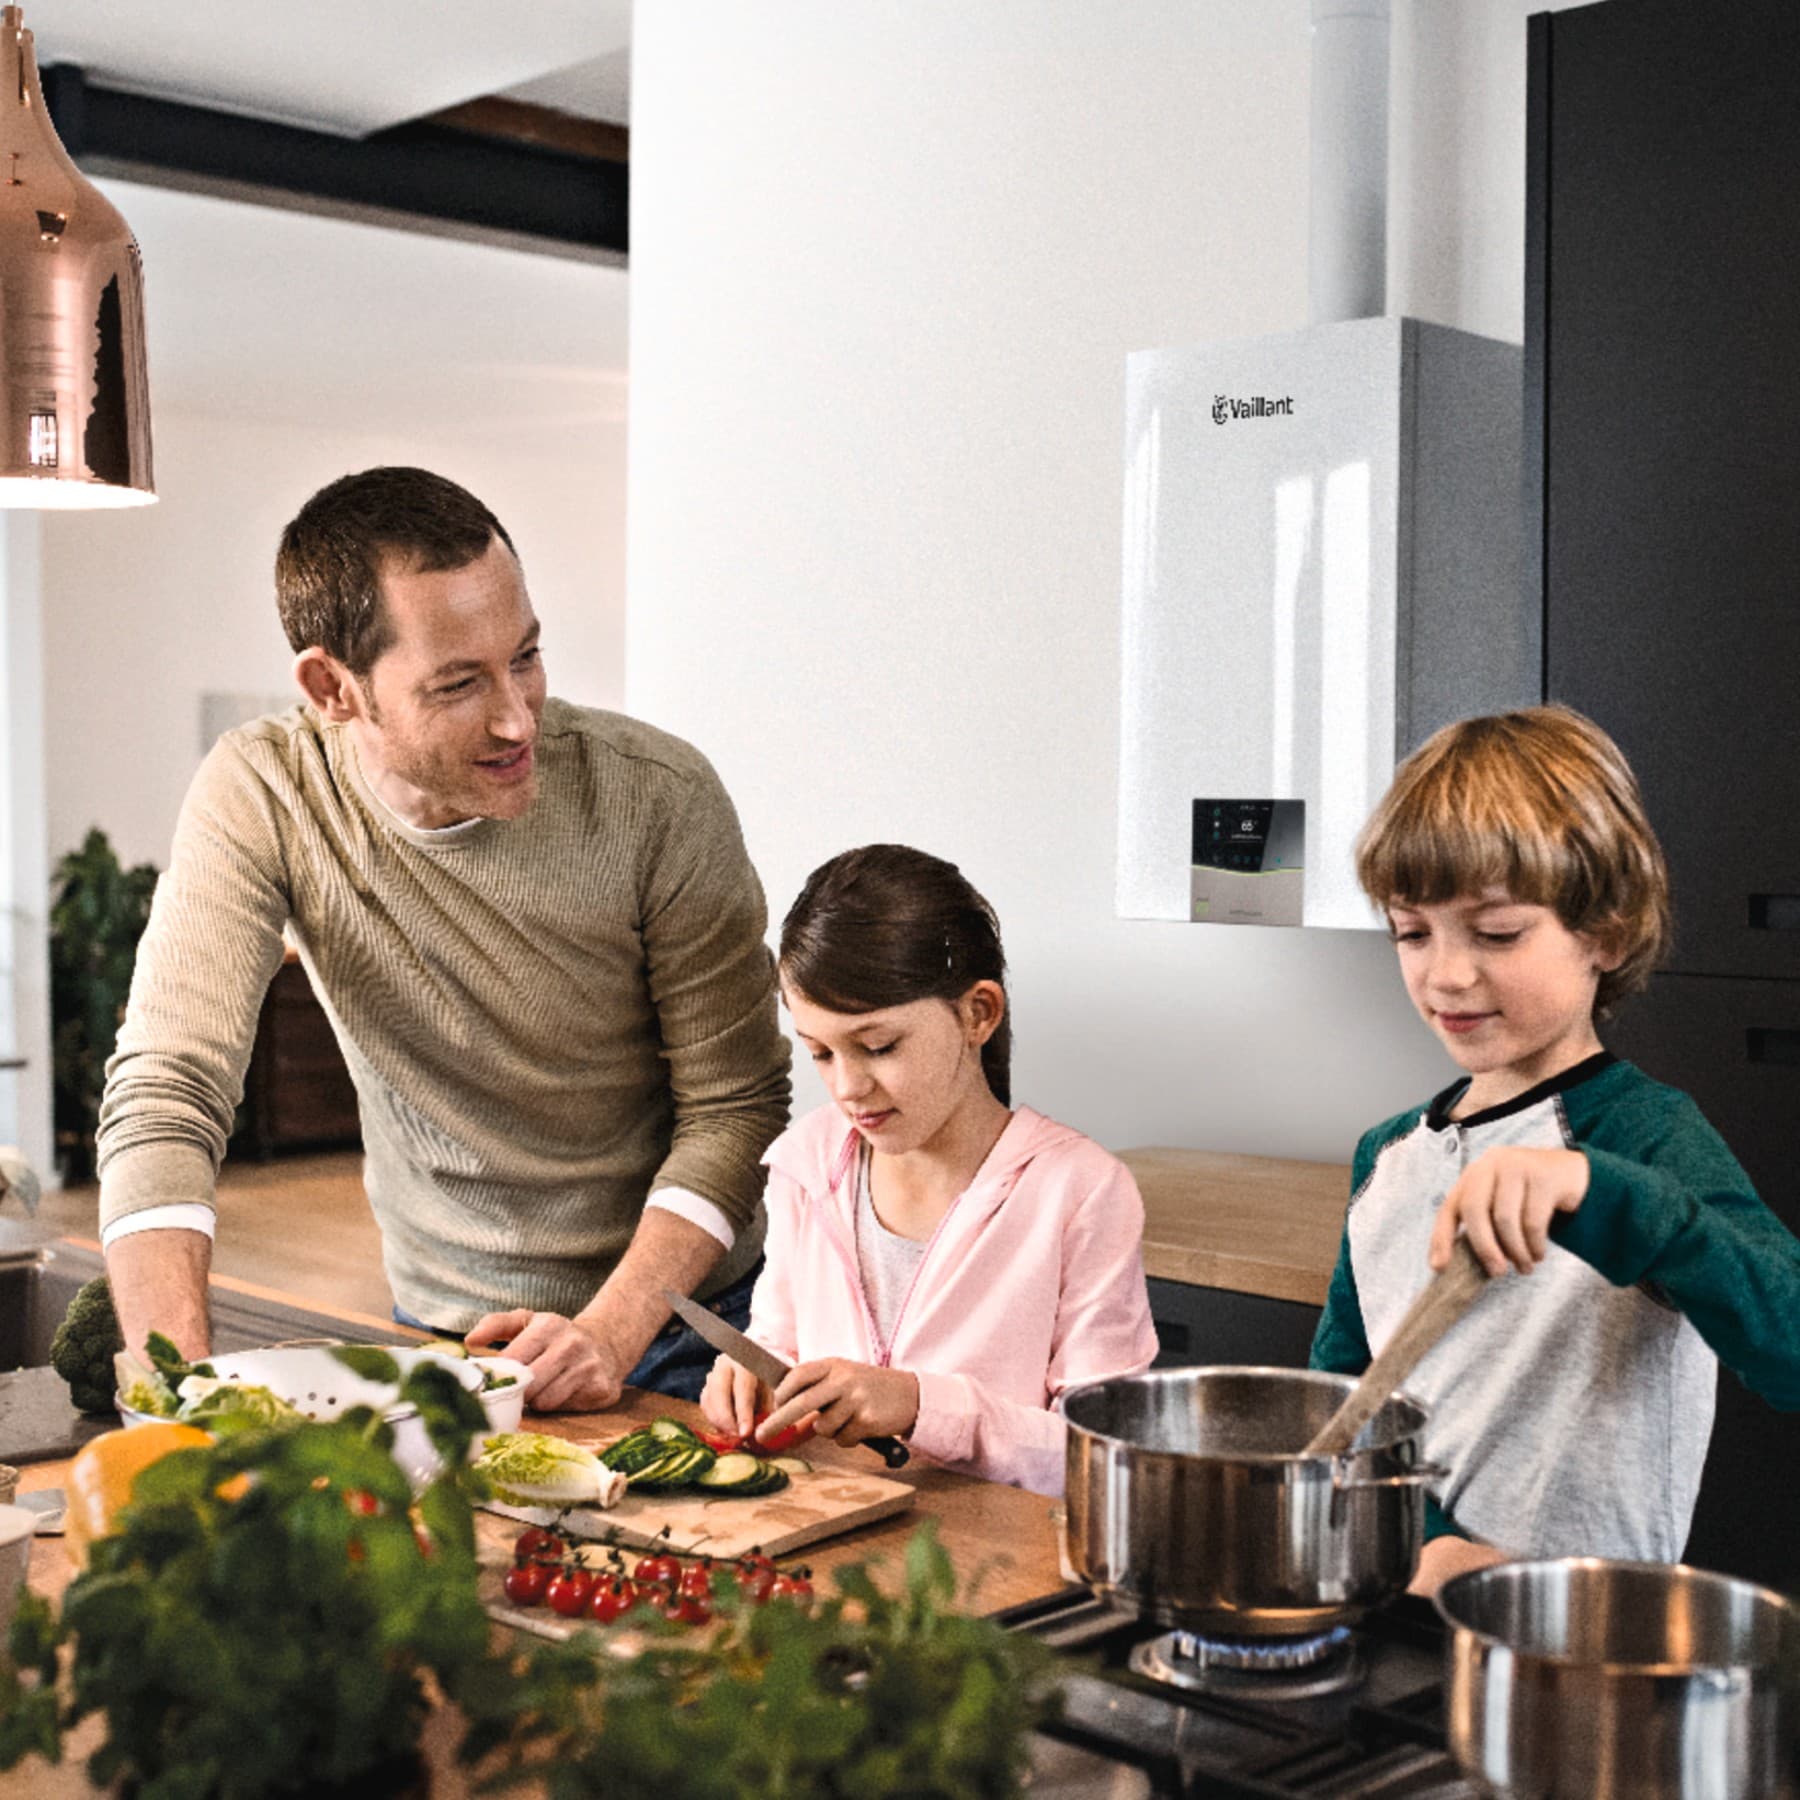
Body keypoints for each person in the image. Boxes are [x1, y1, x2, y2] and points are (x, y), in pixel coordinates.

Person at [98, 467, 790, 1408]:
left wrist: (610, 1331)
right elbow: (169, 1084)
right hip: (443, 1328)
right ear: (332, 687)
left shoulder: (659, 799)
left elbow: (738, 1107)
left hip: (685, 1323)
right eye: (459, 684)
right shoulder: (263, 792)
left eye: (528, 656)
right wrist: (166, 1389)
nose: (517, 717)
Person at [1310, 706, 1800, 1594]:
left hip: (1588, 1640)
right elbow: (1348, 1397)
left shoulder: (1643, 1140)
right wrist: (1429, 1539)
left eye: (1496, 933)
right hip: (1408, 1604)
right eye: (1412, 932)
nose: (1447, 974)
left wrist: (1598, 1193)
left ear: (1604, 932)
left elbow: (1791, 1343)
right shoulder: (1387, 1157)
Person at [699, 844, 1158, 1496]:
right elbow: (778, 1346)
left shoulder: (1080, 1191)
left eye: (879, 1046)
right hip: (836, 1552)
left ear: (978, 1014)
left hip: (998, 1572)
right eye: (821, 1053)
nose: (848, 1087)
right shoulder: (805, 1164)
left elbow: (1110, 1460)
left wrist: (923, 1407)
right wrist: (751, 1381)